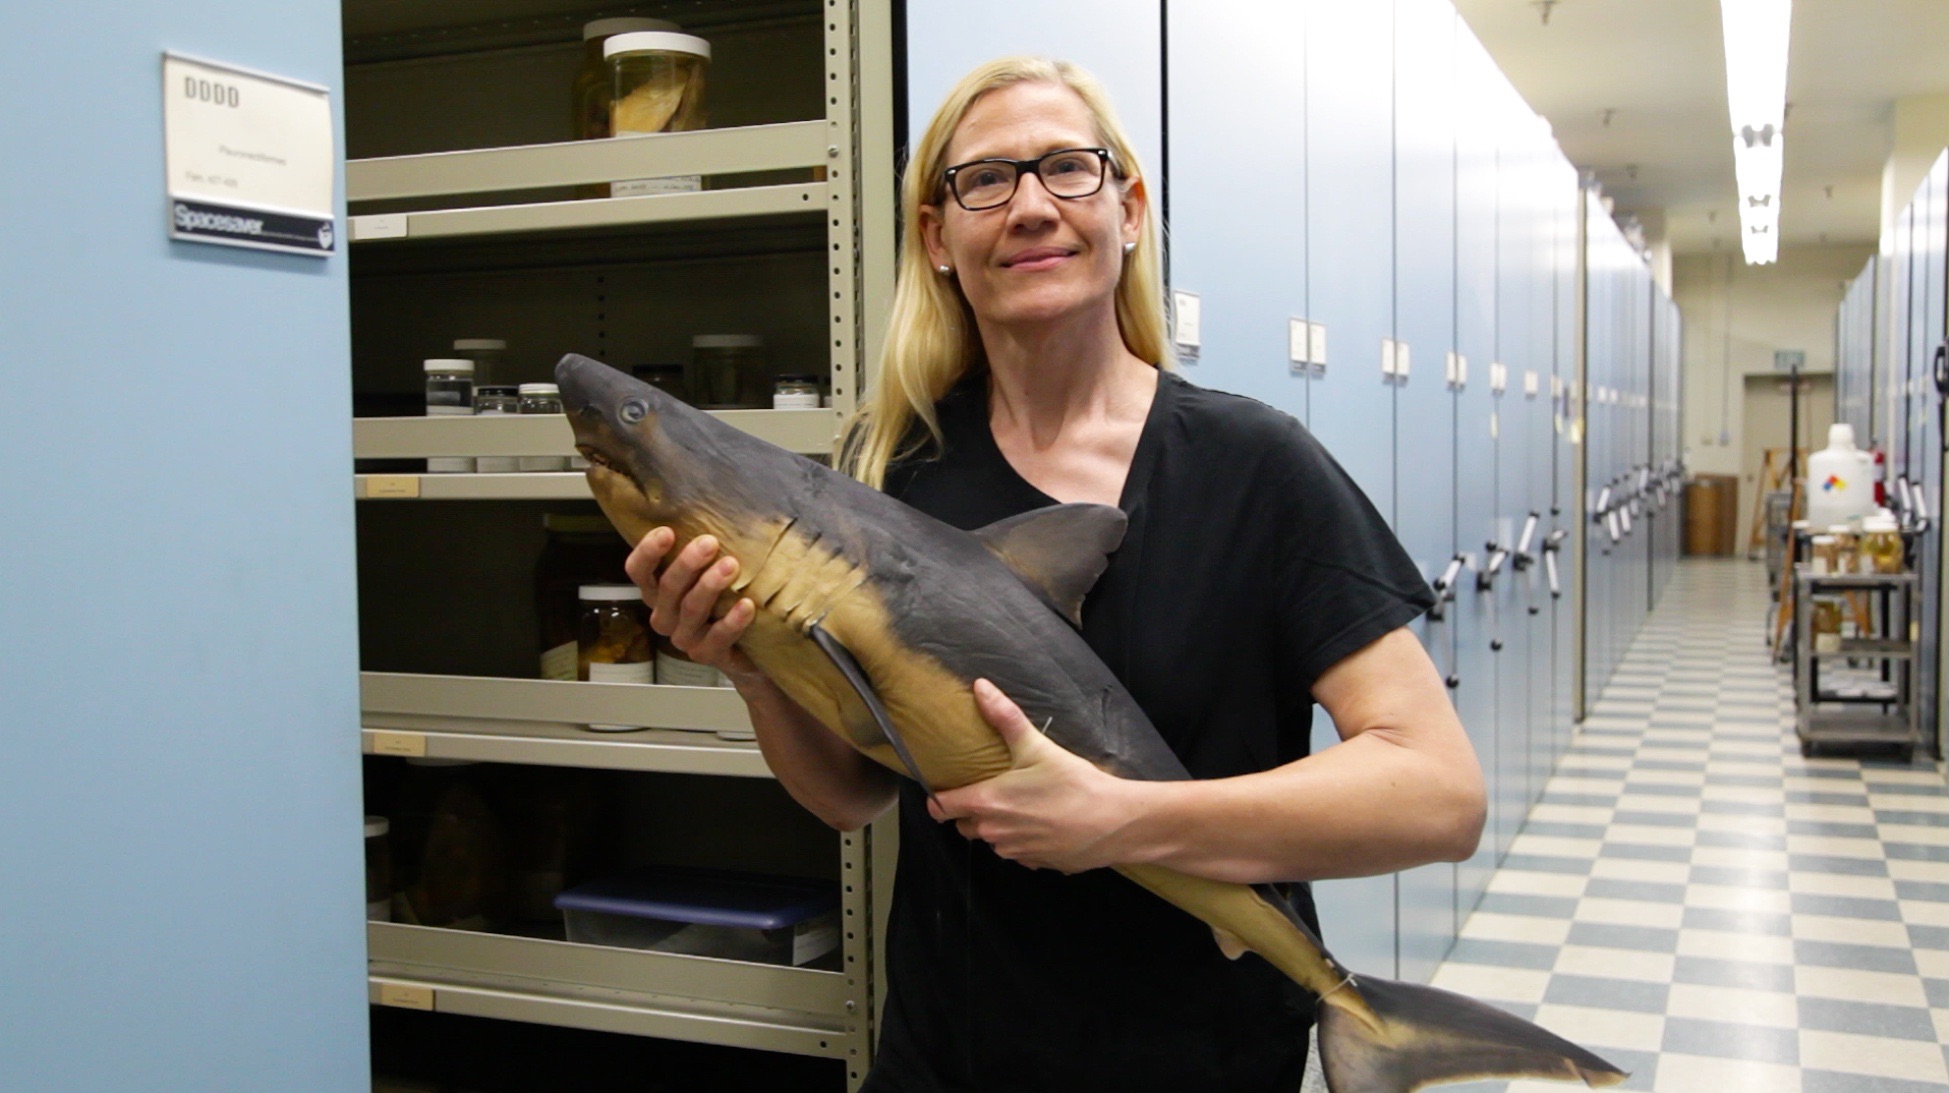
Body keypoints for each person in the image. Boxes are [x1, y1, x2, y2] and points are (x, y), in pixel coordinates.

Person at [624, 56, 1486, 1093]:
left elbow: (1438, 794)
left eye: (1068, 169)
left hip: (1193, 1060)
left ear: (1126, 210)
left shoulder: (1257, 470)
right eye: (984, 180)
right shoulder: (890, 472)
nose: (1030, 206)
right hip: (948, 1055)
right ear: (937, 240)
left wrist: (1122, 818)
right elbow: (849, 794)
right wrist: (752, 668)